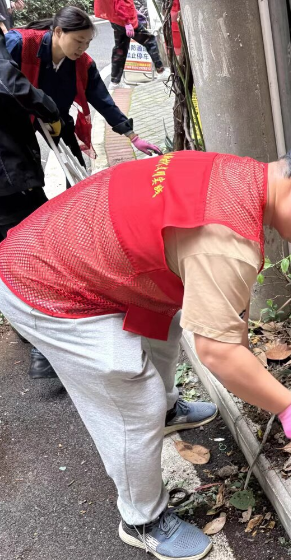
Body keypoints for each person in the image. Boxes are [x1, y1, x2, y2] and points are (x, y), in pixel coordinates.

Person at [0, 143, 291, 560]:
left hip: (64, 246)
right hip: (45, 284)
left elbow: (223, 320)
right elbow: (218, 353)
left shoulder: (238, 175)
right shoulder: (227, 241)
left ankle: (167, 413)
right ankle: (142, 519)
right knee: (133, 398)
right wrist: (289, 406)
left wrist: (247, 366)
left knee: (169, 319)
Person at [5, 6, 161, 174]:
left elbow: (103, 100)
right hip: (13, 117)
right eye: (78, 41)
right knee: (26, 172)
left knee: (77, 167)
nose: (83, 48)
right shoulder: (21, 43)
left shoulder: (82, 64)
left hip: (55, 117)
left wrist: (133, 136)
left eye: (87, 43)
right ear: (58, 31)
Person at [0, 27, 64, 377]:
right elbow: (9, 82)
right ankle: (46, 346)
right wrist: (50, 110)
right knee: (37, 254)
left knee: (7, 261)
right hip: (8, 177)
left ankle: (29, 329)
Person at [94, 0, 164, 86]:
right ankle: (160, 70)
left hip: (115, 18)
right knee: (149, 40)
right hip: (124, 18)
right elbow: (121, 3)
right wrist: (127, 22)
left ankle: (115, 82)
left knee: (120, 49)